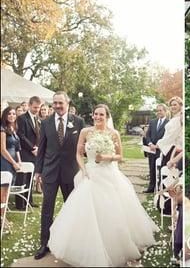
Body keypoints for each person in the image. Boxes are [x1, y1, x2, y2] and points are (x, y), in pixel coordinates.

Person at [47, 104, 159, 266]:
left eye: (101, 114)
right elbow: (78, 153)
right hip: (91, 173)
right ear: (92, 116)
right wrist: (83, 169)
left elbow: (120, 156)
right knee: (86, 211)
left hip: (109, 174)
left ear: (107, 116)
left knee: (112, 210)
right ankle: (87, 246)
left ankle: (115, 245)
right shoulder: (86, 132)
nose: (98, 117)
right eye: (95, 114)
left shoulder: (114, 133)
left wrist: (106, 157)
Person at [33, 92, 85, 260]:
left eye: (60, 103)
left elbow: (83, 148)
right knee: (47, 208)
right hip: (50, 171)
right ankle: (44, 243)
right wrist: (38, 171)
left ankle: (71, 242)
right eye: (54, 103)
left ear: (67, 103)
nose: (57, 106)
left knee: (71, 209)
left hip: (70, 172)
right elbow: (41, 149)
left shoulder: (78, 122)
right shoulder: (46, 122)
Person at [16, 96, 43, 209]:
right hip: (25, 152)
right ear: (29, 105)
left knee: (30, 179)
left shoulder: (38, 119)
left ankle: (29, 201)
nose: (37, 110)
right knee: (22, 179)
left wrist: (39, 148)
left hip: (35, 153)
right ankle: (20, 204)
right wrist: (32, 148)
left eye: (38, 107)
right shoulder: (22, 118)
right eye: (35, 107)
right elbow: (21, 136)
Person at [1, 106, 22, 231]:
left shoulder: (13, 128)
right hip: (5, 162)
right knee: (3, 193)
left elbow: (17, 147)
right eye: (9, 113)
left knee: (7, 192)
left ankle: (3, 216)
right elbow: (3, 149)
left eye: (14, 113)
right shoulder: (2, 129)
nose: (12, 116)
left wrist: (19, 161)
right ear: (5, 115)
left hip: (13, 163)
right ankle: (3, 219)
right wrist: (14, 162)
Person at [143, 104, 168, 193]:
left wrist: (158, 146)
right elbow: (148, 134)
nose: (158, 112)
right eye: (157, 111)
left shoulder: (168, 123)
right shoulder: (152, 122)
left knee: (163, 170)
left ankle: (161, 188)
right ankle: (151, 187)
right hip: (151, 150)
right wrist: (150, 144)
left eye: (160, 110)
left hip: (162, 150)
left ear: (165, 111)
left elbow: (167, 137)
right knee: (152, 169)